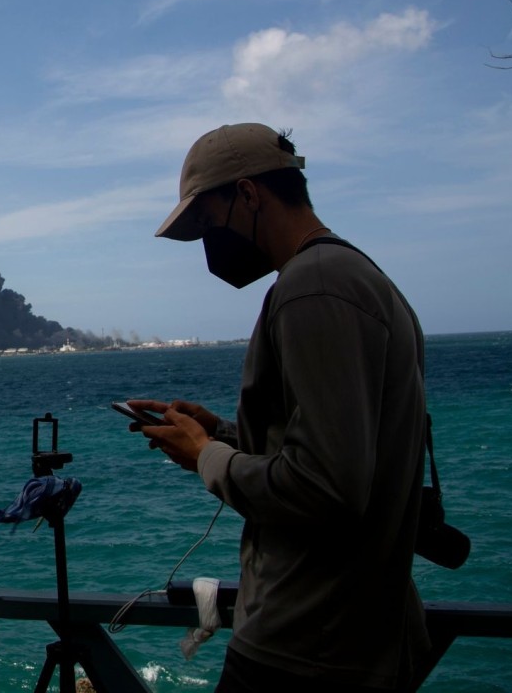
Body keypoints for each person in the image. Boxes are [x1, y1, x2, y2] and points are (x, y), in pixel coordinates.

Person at [130, 123, 429, 693]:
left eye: (209, 223)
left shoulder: (313, 287)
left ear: (248, 194)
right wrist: (218, 430)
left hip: (304, 646)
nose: (209, 244)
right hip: (351, 638)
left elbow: (324, 485)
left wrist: (206, 456)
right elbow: (335, 441)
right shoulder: (360, 277)